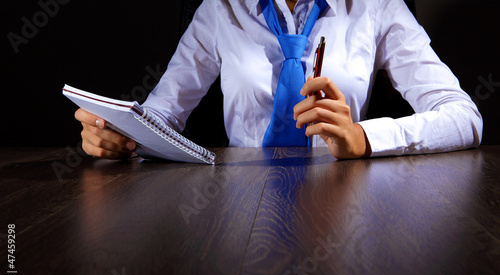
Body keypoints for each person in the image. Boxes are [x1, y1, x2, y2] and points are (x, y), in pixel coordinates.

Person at [75, 0, 482, 160]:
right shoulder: (220, 9)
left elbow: (464, 116)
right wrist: (119, 132)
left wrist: (363, 137)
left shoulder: (377, 7)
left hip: (347, 201)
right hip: (236, 205)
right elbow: (161, 114)